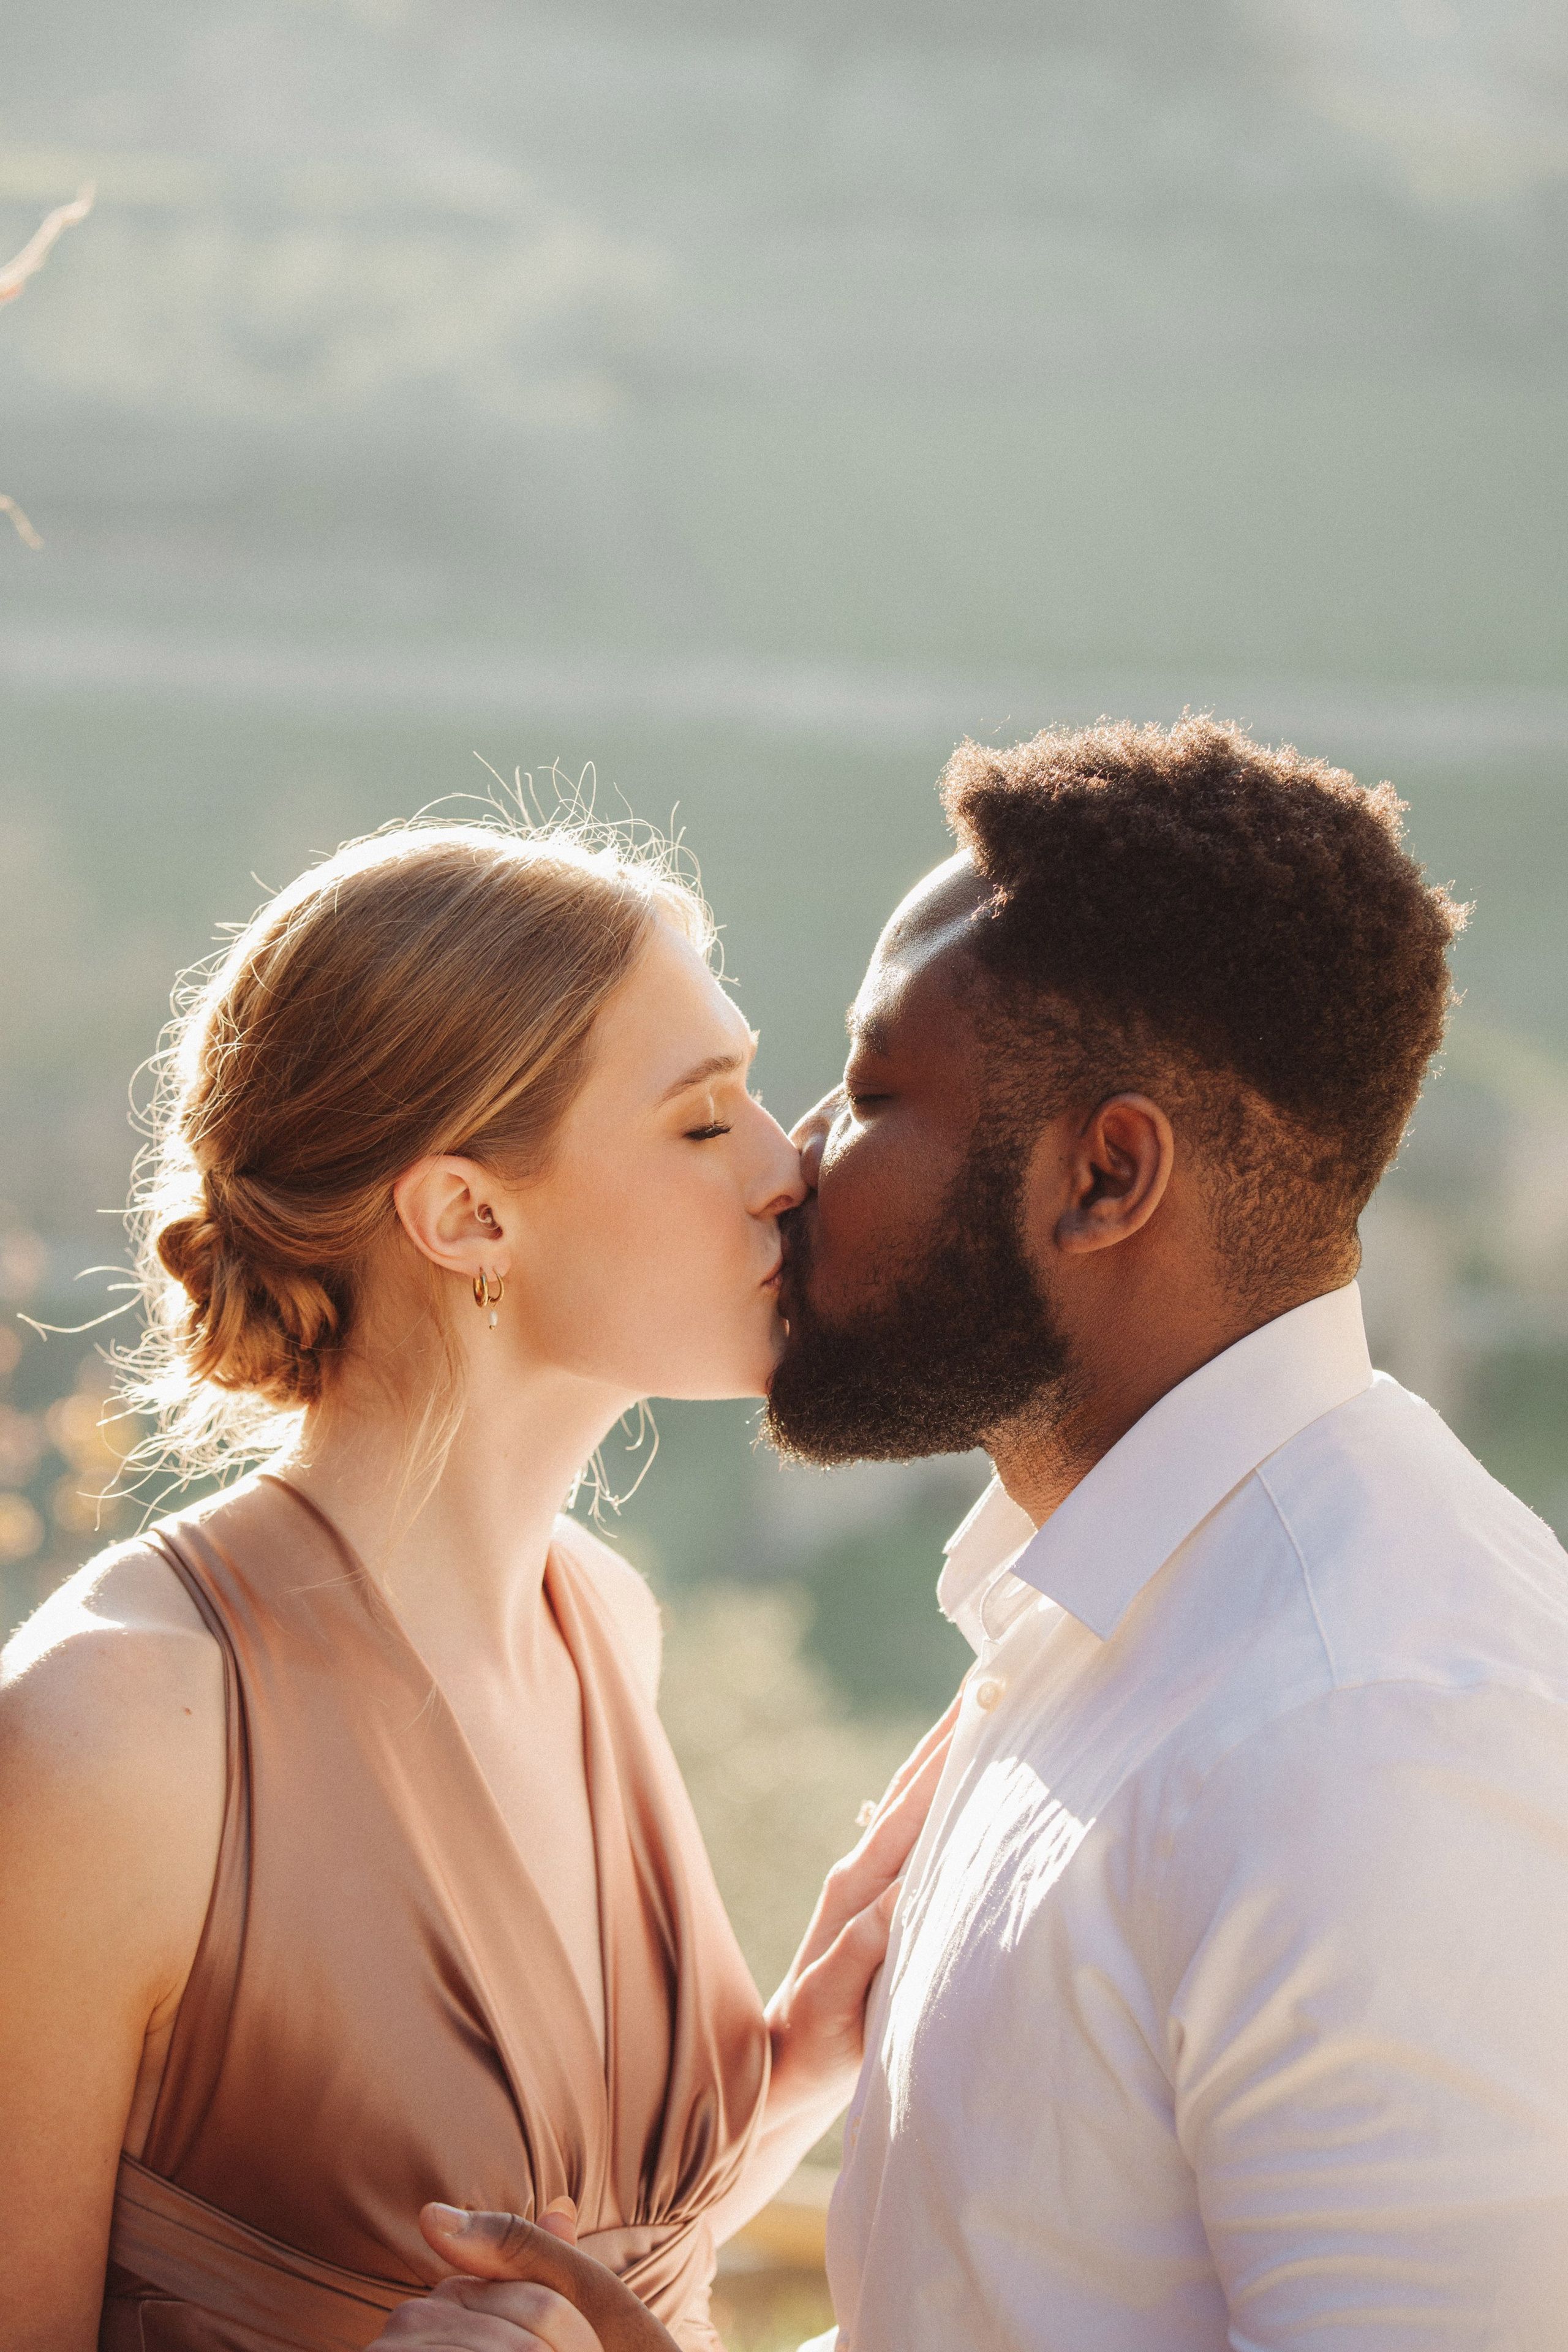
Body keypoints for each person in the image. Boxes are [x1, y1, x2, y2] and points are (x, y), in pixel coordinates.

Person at [395, 717, 1568, 2350]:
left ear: (1105, 1177)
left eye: (872, 1093)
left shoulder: (1366, 1736)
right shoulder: (1111, 1625)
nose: (795, 1163)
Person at [0, 818, 954, 2352]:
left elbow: (602, 2266)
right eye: (704, 1125)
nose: (791, 1168)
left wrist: (791, 2076)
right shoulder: (115, 1737)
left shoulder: (604, 1627)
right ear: (467, 1216)